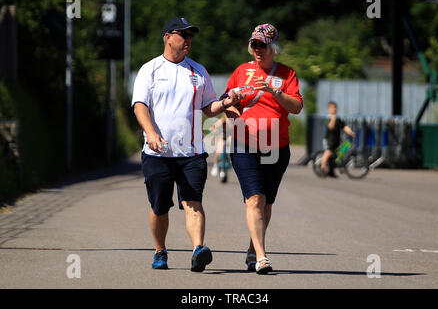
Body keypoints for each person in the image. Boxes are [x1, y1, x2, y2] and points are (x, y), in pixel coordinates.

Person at [132, 17, 242, 272]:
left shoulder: (199, 71)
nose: (188, 41)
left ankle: (197, 250)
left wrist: (226, 103)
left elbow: (209, 107)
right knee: (159, 206)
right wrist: (150, 133)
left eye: (191, 36)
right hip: (158, 152)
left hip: (192, 153)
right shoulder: (150, 70)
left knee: (193, 201)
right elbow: (140, 105)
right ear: (168, 37)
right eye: (183, 35)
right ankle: (160, 250)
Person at [223, 24, 303, 274]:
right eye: (254, 44)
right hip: (244, 144)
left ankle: (251, 250)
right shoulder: (241, 71)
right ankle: (262, 257)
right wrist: (233, 114)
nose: (258, 49)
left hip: (276, 147)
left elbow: (296, 107)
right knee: (254, 198)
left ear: (273, 48)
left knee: (266, 202)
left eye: (263, 45)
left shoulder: (287, 75)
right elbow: (227, 101)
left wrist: (274, 90)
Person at [320, 101, 356, 177]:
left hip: (336, 140)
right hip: (329, 140)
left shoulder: (338, 119)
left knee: (335, 156)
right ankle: (322, 169)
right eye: (333, 107)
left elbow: (344, 126)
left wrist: (351, 132)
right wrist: (333, 118)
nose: (335, 109)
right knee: (328, 153)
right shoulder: (328, 118)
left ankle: (331, 172)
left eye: (336, 107)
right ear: (329, 109)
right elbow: (330, 127)